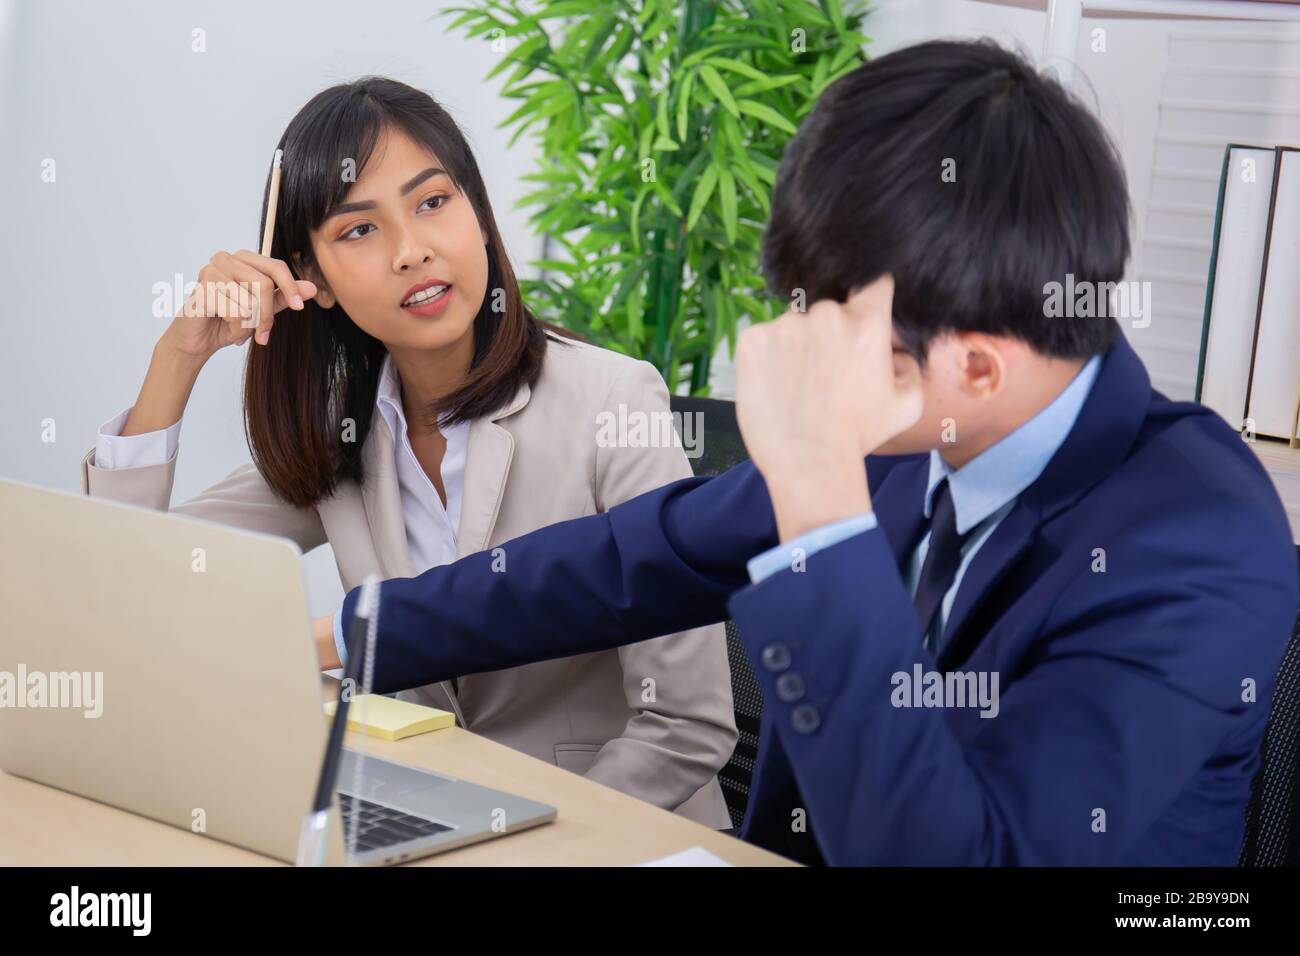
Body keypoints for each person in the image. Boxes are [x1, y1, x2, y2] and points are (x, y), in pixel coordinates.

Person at [315, 42, 1299, 865]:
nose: (798, 352)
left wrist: (822, 507)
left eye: (835, 328)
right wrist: (353, 634)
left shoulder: (1194, 540)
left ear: (980, 370)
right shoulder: (910, 430)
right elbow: (623, 562)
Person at [81, 76, 736, 828]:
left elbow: (687, 725)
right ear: (313, 279)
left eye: (433, 202)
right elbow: (132, 583)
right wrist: (178, 357)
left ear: (481, 217)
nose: (412, 252)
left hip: (606, 838)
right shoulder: (342, 431)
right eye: (359, 230)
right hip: (422, 818)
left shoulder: (613, 401)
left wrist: (513, 838)